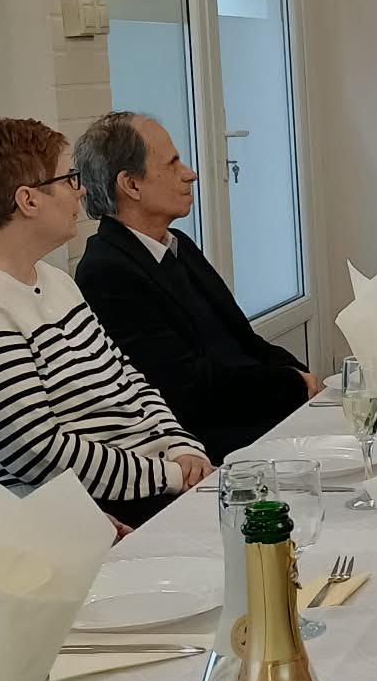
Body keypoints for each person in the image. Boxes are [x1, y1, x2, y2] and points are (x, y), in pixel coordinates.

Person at [0, 115, 212, 527]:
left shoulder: (53, 279)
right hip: (90, 515)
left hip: (151, 484)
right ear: (28, 200)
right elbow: (37, 453)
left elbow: (125, 377)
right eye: (69, 179)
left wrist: (180, 446)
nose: (82, 190)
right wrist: (172, 476)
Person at [71, 112, 318, 462]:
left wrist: (300, 374)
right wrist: (292, 384)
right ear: (131, 185)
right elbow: (184, 391)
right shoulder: (106, 273)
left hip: (262, 418)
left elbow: (243, 340)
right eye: (172, 164)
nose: (190, 174)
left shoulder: (178, 245)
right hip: (215, 450)